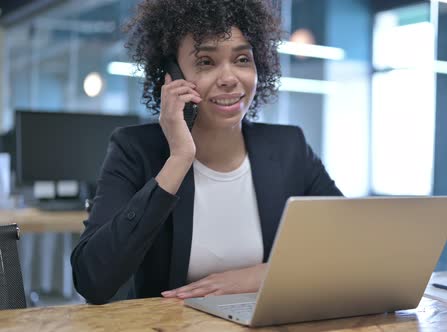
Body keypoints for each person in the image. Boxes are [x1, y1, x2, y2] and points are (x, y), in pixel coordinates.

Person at [70, 0, 342, 305]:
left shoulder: (288, 147)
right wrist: (179, 159)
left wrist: (260, 276)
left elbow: (350, 245)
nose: (228, 78)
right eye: (206, 62)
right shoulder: (136, 150)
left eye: (241, 59)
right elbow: (92, 279)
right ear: (171, 76)